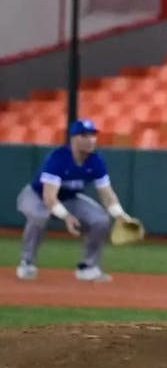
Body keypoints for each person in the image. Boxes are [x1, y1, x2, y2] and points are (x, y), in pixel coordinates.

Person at [15, 119, 135, 282]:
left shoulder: (96, 160)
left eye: (92, 135)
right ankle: (26, 262)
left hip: (70, 199)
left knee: (100, 219)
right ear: (73, 138)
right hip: (36, 196)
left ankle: (87, 267)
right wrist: (66, 217)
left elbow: (107, 194)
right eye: (84, 135)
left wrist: (121, 215)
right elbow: (49, 198)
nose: (90, 139)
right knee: (39, 216)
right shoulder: (58, 158)